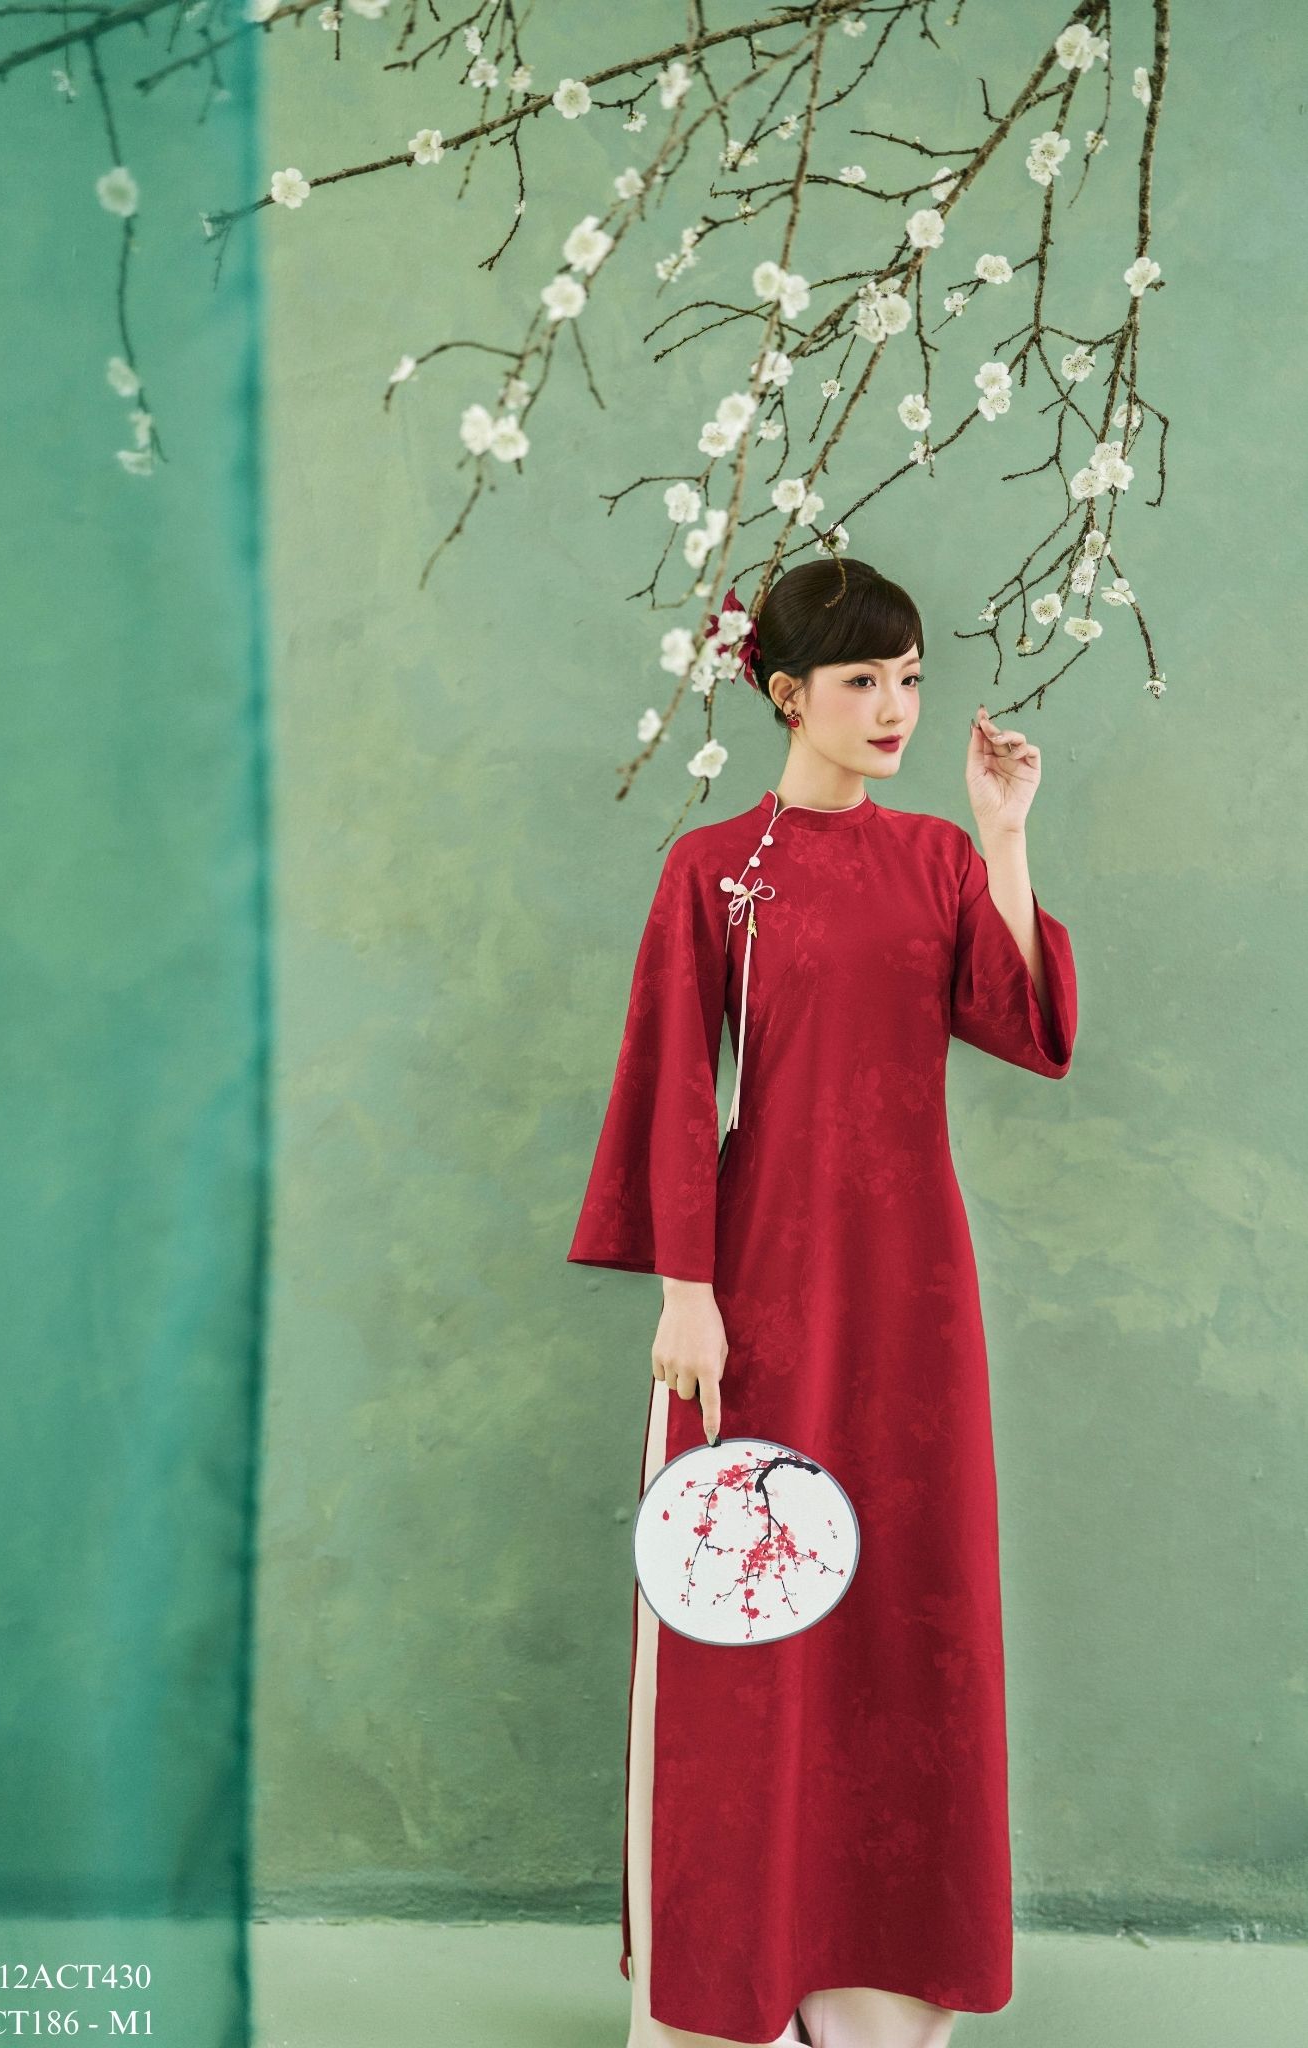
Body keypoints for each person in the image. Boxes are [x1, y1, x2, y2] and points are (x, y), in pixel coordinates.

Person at [567, 557, 1079, 2048]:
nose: (895, 707)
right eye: (862, 680)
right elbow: (673, 1081)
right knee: (749, 1612)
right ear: (787, 695)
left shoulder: (935, 857)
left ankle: (878, 1992)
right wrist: (687, 1293)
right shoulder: (715, 868)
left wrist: (1003, 834)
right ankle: (729, 1985)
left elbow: (1025, 1027)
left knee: (908, 1608)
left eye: (909, 677)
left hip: (914, 1290)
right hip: (761, 1284)